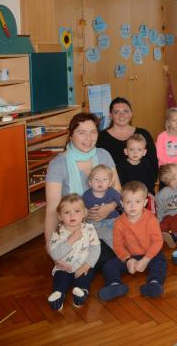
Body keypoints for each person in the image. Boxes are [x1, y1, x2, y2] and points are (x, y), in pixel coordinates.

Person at [46, 113, 122, 270]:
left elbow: (117, 190)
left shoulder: (103, 155)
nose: (88, 138)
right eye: (82, 132)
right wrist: (51, 251)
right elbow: (52, 209)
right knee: (105, 255)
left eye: (93, 132)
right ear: (71, 135)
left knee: (136, 239)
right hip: (76, 229)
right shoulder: (58, 164)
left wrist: (110, 206)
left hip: (108, 221)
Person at [98, 181, 166, 302]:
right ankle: (114, 285)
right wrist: (128, 259)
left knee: (160, 262)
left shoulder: (151, 219)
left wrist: (146, 259)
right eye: (128, 202)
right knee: (109, 265)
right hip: (130, 256)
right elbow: (117, 245)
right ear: (122, 204)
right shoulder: (119, 222)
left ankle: (154, 283)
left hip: (149, 255)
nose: (133, 206)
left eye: (137, 202)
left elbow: (157, 242)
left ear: (145, 203)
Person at [46, 195, 100, 310]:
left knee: (85, 278)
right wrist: (70, 240)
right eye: (67, 212)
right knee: (61, 279)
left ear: (84, 213)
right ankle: (58, 296)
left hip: (83, 265)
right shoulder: (58, 233)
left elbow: (96, 249)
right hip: (64, 267)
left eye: (76, 211)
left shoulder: (89, 229)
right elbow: (55, 254)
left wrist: (87, 265)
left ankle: (81, 293)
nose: (72, 215)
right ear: (60, 216)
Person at [96, 97, 158, 179]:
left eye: (125, 111)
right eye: (117, 112)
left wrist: (148, 189)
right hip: (112, 187)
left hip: (142, 187)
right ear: (110, 115)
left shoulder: (143, 134)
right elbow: (98, 167)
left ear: (131, 114)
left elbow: (153, 163)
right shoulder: (101, 137)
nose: (122, 115)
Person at [81, 165, 121, 248]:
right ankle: (119, 251)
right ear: (90, 182)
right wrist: (85, 213)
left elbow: (122, 202)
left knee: (125, 228)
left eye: (104, 179)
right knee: (110, 236)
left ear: (110, 183)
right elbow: (81, 210)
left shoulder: (112, 193)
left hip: (113, 219)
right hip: (96, 223)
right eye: (96, 179)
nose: (100, 182)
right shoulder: (86, 196)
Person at [155, 164, 177, 248]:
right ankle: (157, 235)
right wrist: (159, 221)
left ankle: (174, 236)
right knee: (162, 224)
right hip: (168, 216)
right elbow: (160, 210)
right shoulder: (161, 194)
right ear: (173, 179)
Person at [156, 107, 177, 176]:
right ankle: (165, 187)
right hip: (164, 165)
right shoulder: (161, 137)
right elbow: (160, 155)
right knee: (166, 175)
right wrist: (169, 164)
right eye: (174, 120)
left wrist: (175, 165)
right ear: (168, 122)